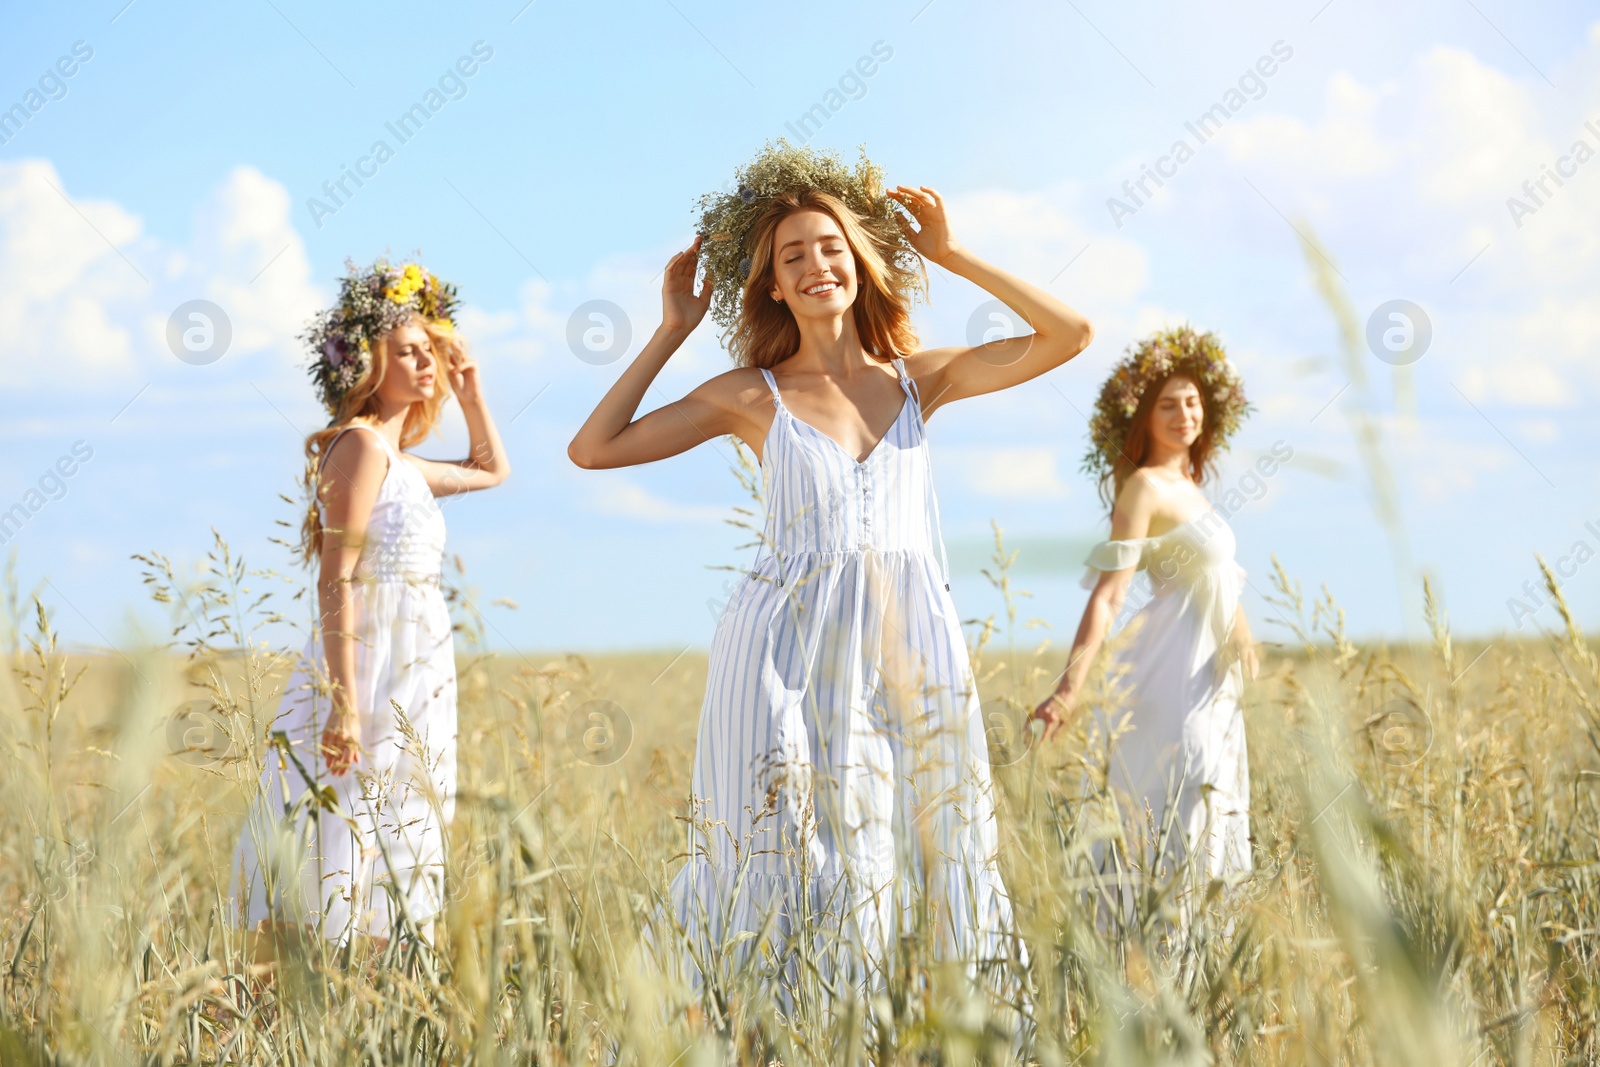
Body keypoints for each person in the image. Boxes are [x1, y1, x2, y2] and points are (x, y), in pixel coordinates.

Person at [568, 144, 1093, 1010]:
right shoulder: (751, 394)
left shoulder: (921, 380)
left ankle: (899, 1024)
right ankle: (758, 1026)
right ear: (772, 283)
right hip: (775, 648)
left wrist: (952, 256)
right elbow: (595, 447)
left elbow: (1069, 336)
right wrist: (671, 330)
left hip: (906, 644)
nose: (816, 265)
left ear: (861, 263)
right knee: (768, 842)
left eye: (832, 248)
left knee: (921, 839)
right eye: (793, 255)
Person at [232, 259, 509, 957]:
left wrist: (473, 393)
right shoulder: (358, 447)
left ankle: (373, 997)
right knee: (345, 817)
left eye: (430, 352)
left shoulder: (402, 460)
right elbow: (337, 577)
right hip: (368, 658)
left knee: (402, 820)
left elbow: (491, 470)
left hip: (416, 661)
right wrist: (343, 702)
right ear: (369, 362)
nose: (427, 365)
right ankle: (306, 997)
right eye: (409, 353)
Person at [1031, 326, 1256, 898]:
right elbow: (1110, 593)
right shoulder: (1145, 490)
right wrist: (1068, 689)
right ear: (1143, 417)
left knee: (1215, 796)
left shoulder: (1194, 487)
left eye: (1192, 401)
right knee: (1184, 797)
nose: (1184, 413)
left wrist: (1244, 638)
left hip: (1215, 677)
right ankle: (1159, 949)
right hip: (1173, 671)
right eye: (1167, 404)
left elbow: (1221, 577)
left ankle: (1203, 958)